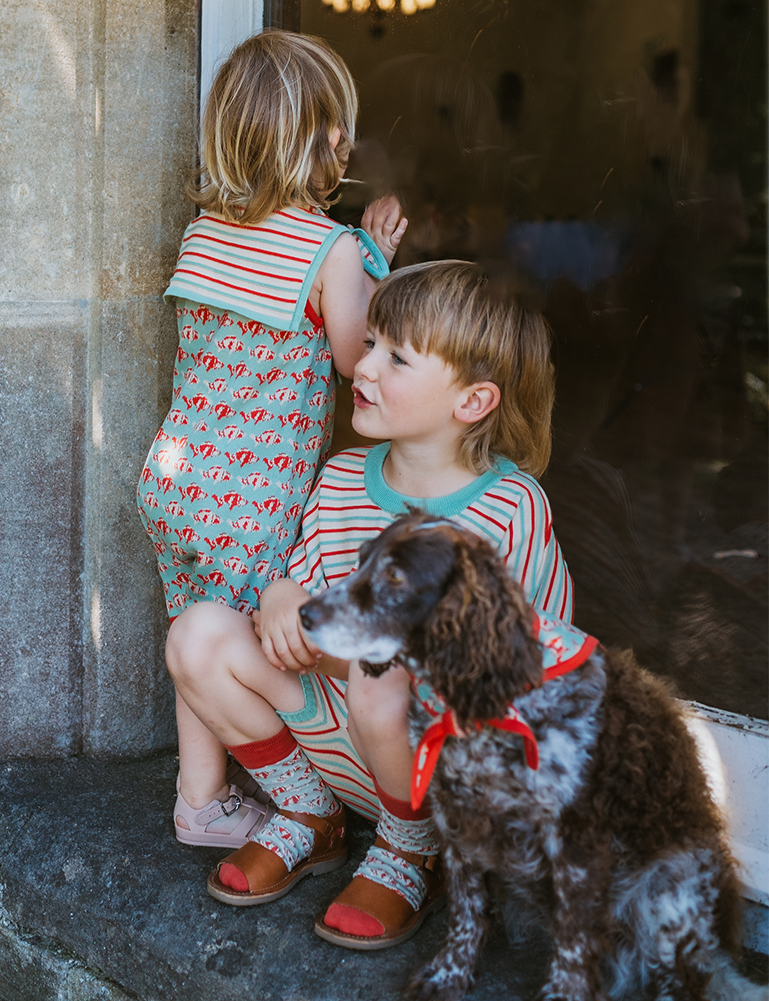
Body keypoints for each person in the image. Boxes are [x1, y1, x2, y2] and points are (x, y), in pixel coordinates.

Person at [166, 260, 573, 949]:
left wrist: (373, 651)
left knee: (381, 676)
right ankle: (308, 811)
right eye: (372, 340)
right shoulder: (341, 478)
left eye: (397, 356)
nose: (363, 363)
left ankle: (409, 849)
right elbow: (300, 585)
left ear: (471, 401)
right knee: (198, 633)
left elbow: (526, 667)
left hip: (446, 768)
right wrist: (281, 594)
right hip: (344, 743)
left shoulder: (510, 508)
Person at [137, 31, 408, 850]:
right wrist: (377, 261)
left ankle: (201, 800)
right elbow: (357, 359)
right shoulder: (326, 251)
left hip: (175, 482)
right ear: (323, 140)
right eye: (340, 129)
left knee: (194, 631)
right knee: (261, 649)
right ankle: (308, 793)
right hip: (252, 502)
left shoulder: (203, 233)